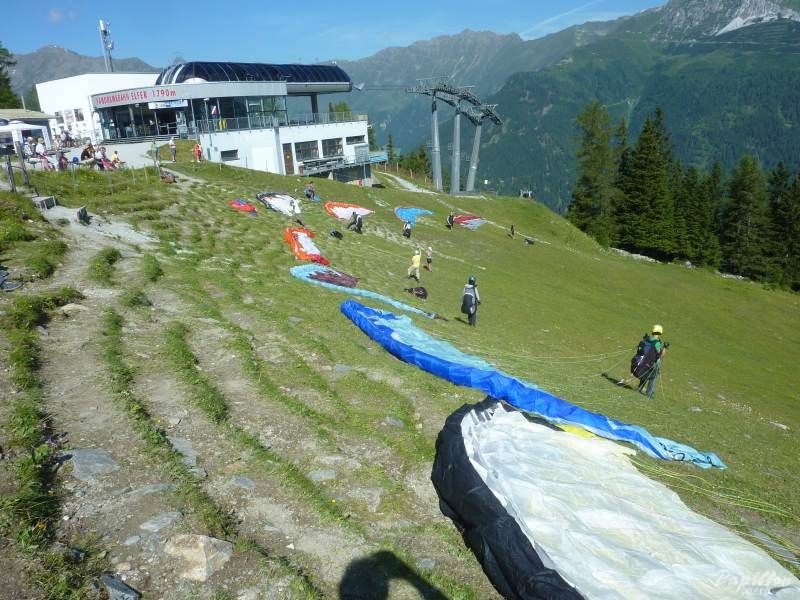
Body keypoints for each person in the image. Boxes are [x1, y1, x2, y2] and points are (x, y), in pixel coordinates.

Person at [632, 324, 669, 398]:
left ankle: (639, 388)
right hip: (651, 363)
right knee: (653, 377)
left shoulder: (647, 339)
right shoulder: (657, 343)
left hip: (643, 362)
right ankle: (649, 393)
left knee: (646, 373)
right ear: (660, 332)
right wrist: (665, 348)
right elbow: (660, 355)